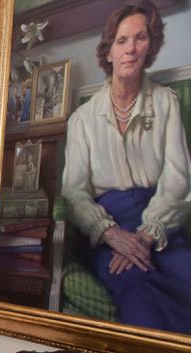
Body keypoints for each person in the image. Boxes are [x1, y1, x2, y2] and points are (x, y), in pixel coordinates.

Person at [61, 0, 191, 333]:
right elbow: (74, 193)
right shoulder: (83, 120)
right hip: (109, 228)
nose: (131, 49)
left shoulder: (165, 103)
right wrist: (110, 233)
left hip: (162, 227)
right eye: (121, 41)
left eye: (140, 38)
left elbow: (177, 181)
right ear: (108, 52)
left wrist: (147, 236)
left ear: (151, 45)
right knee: (138, 295)